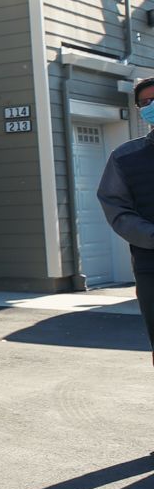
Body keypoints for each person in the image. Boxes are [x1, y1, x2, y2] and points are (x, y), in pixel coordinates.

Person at [96, 76, 154, 365]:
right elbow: (116, 208)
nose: (152, 106)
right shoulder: (125, 157)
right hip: (151, 267)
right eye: (146, 103)